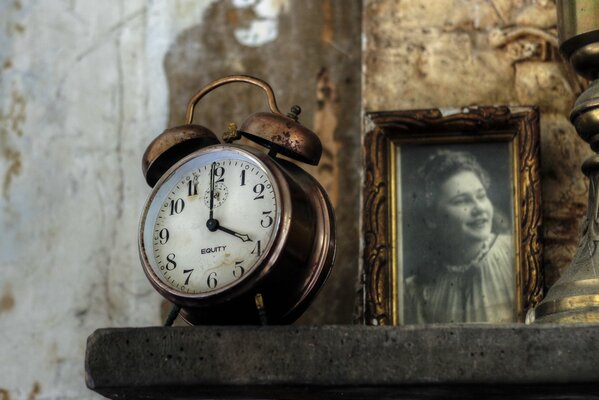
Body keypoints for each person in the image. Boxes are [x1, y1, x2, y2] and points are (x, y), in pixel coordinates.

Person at [404, 149, 514, 324]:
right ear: (431, 217)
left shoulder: (517, 257)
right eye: (461, 201)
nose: (479, 208)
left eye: (481, 196)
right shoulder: (415, 291)